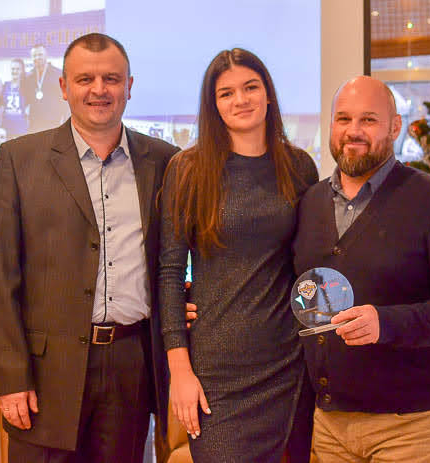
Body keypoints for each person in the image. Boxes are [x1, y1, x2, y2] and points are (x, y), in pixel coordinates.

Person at [0, 33, 181, 462]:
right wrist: (11, 376)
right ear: (64, 87)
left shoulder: (165, 161)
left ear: (129, 85)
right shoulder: (20, 159)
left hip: (132, 365)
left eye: (111, 78)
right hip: (45, 375)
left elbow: (183, 253)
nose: (99, 89)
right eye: (85, 78)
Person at [291, 76, 430, 463]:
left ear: (395, 127)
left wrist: (387, 323)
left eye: (368, 120)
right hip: (329, 427)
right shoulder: (308, 204)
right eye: (343, 119)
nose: (353, 131)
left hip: (412, 428)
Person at [159, 48, 318, 462]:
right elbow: (170, 273)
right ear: (213, 106)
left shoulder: (299, 167)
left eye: (250, 87)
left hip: (288, 364)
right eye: (226, 93)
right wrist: (179, 371)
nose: (241, 100)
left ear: (268, 94)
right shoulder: (188, 169)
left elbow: (309, 264)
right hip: (215, 373)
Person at [25, 44, 69, 133]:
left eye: (40, 55)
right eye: (34, 56)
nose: (37, 57)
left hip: (53, 121)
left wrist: (64, 120)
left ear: (46, 56)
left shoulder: (57, 74)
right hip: (35, 122)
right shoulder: (29, 76)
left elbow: (64, 99)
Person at [0, 58, 29, 139]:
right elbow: (2, 105)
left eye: (17, 69)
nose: (15, 71)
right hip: (7, 126)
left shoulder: (26, 86)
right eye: (13, 69)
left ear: (22, 70)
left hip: (20, 127)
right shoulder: (5, 85)